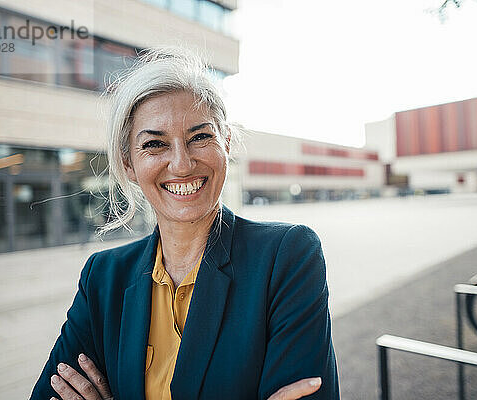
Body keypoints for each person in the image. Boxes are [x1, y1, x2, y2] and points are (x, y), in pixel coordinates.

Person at [30, 47, 339, 400]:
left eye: (200, 137)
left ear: (227, 143)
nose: (181, 164)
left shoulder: (286, 256)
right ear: (129, 165)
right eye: (154, 144)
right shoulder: (103, 277)